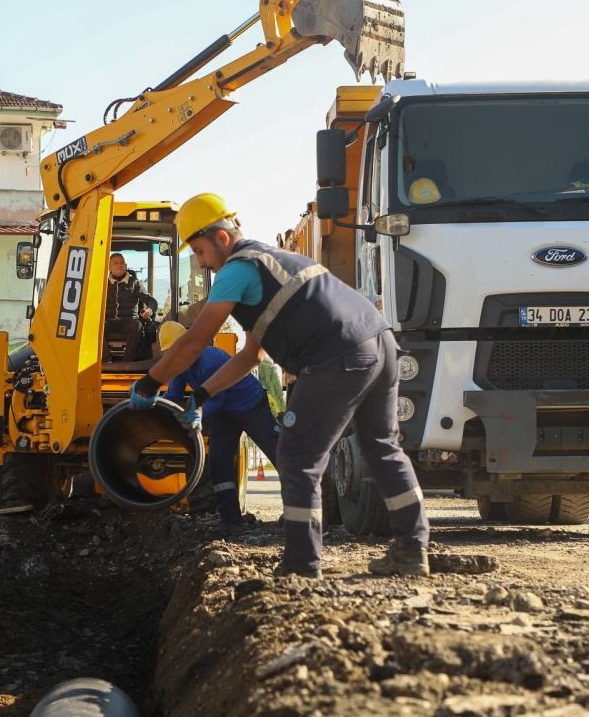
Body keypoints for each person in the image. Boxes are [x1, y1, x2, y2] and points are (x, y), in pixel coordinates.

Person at [128, 193, 430, 579]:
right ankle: (412, 549)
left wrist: (152, 381)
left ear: (221, 238)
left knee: (297, 455)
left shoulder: (237, 269)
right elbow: (250, 357)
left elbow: (194, 341)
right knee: (382, 448)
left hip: (336, 355)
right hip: (380, 343)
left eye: (200, 251)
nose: (201, 262)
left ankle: (302, 565)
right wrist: (203, 395)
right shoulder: (274, 267)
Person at [154, 320, 280, 530]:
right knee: (219, 462)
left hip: (250, 406)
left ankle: (301, 512)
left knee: (278, 452)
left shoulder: (209, 360)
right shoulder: (180, 366)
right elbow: (173, 396)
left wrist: (195, 414)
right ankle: (229, 519)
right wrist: (159, 413)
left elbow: (216, 399)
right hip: (225, 414)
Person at [105, 252, 158, 362]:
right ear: (109, 267)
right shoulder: (103, 284)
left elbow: (151, 301)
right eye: (115, 263)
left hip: (128, 322)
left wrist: (149, 310)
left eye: (121, 263)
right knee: (94, 327)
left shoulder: (134, 283)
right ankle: (106, 361)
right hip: (108, 322)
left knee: (137, 325)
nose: (119, 265)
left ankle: (127, 362)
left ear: (125, 266)